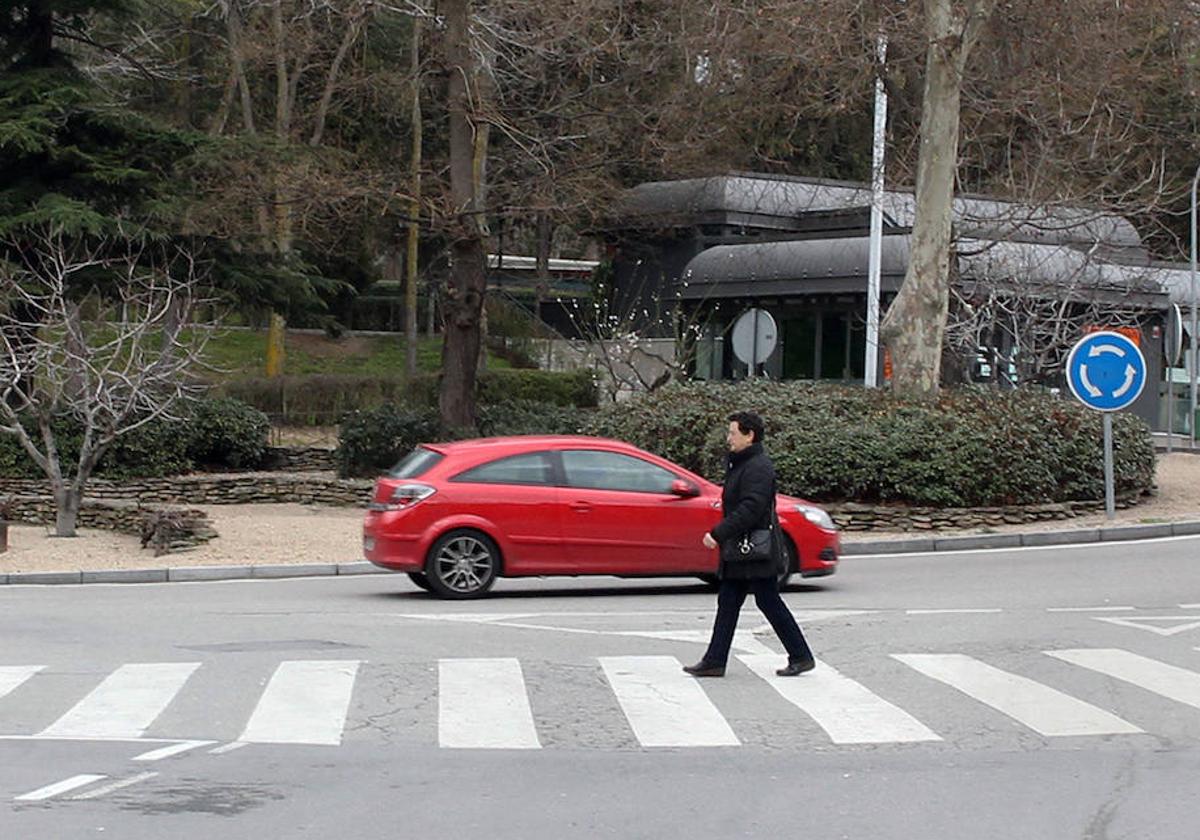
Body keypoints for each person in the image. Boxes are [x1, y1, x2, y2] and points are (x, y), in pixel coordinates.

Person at [684, 411, 816, 678]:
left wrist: (718, 533)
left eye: (733, 433)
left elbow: (751, 508)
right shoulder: (743, 463)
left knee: (768, 601)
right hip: (742, 551)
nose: (728, 438)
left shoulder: (758, 466)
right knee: (729, 601)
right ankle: (715, 660)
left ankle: (801, 656)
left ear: (749, 435)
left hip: (754, 550)